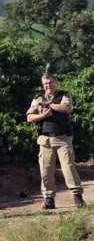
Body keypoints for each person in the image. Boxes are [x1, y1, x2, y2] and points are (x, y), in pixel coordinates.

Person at [26, 70, 85, 210]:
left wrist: (47, 104)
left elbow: (65, 108)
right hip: (45, 139)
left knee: (68, 167)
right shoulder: (37, 98)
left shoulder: (64, 95)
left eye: (50, 82)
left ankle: (78, 196)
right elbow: (29, 117)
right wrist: (42, 116)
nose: (48, 85)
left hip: (62, 138)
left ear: (56, 83)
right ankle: (49, 198)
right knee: (45, 170)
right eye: (45, 83)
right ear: (42, 85)